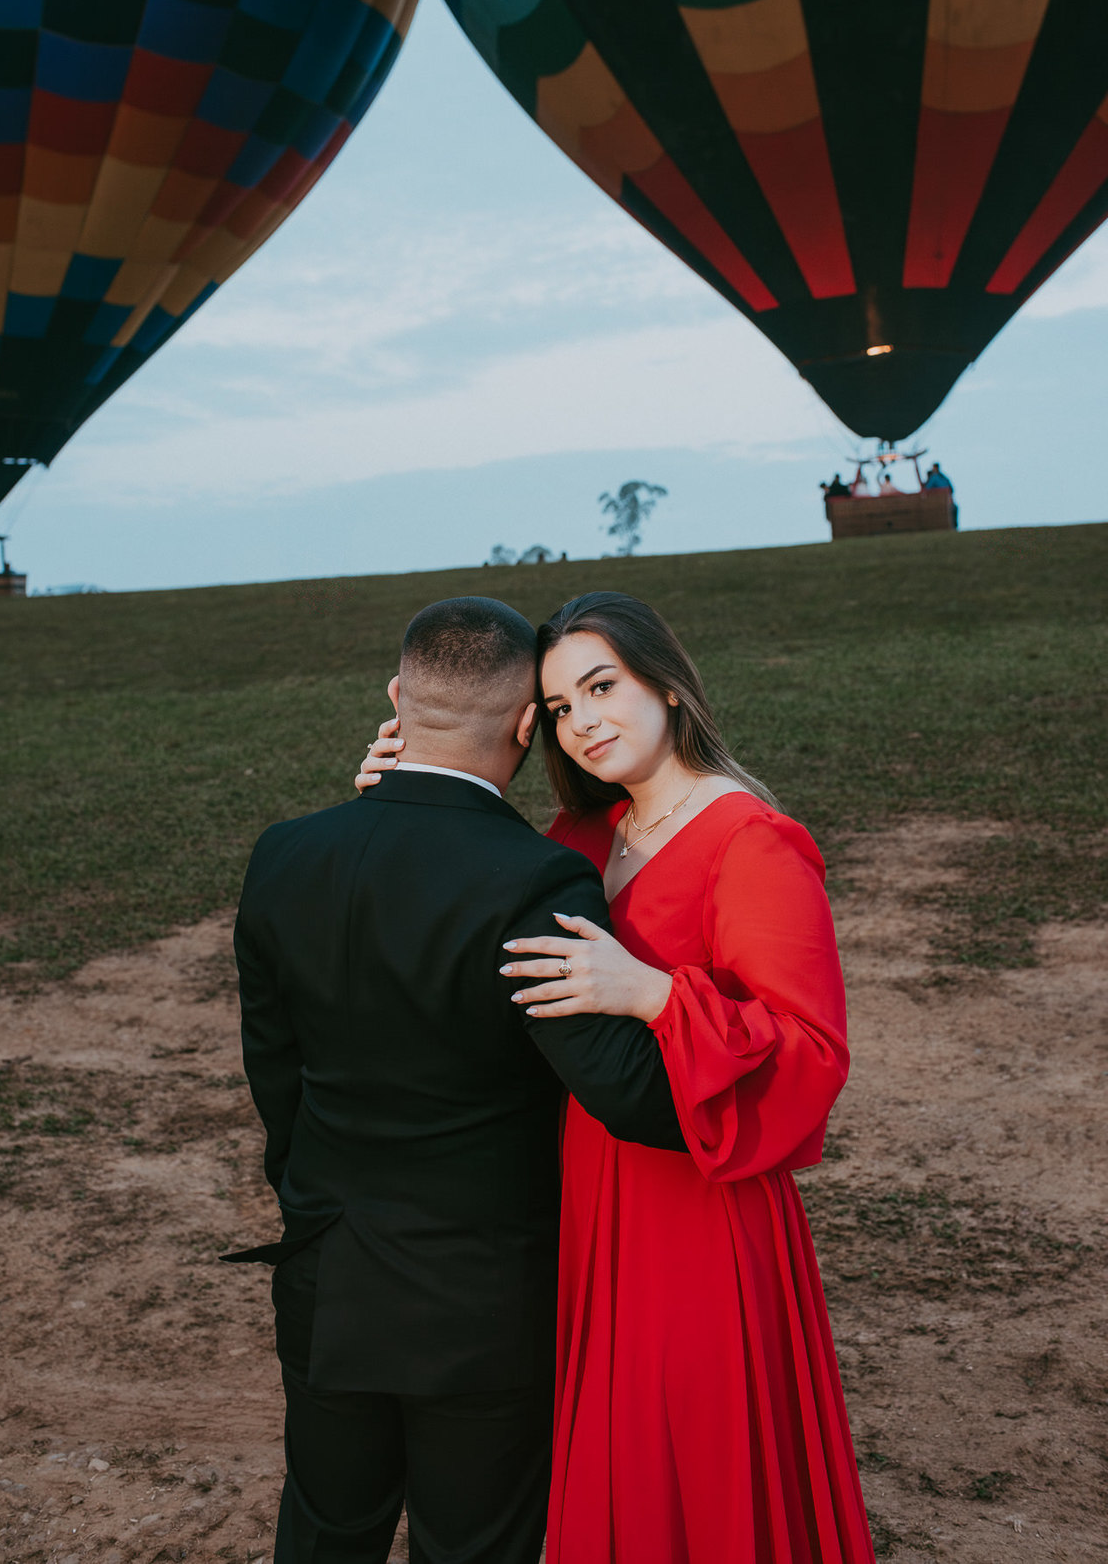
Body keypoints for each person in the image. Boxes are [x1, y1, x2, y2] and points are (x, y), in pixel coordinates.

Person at [360, 592, 875, 1564]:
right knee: (622, 1450)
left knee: (695, 1450)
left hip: (699, 1206)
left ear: (668, 686)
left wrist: (657, 996)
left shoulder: (750, 840)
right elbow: (475, 890)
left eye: (602, 687)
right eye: (558, 707)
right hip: (591, 1195)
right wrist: (405, 785)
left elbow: (811, 1050)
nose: (584, 720)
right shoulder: (581, 840)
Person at [229, 596, 685, 1564]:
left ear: (398, 697)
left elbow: (274, 1073)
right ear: (530, 724)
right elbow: (626, 1093)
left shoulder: (284, 856)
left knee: (325, 1530)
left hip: (329, 1267)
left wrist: (311, 1202)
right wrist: (685, 1003)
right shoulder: (532, 877)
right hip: (483, 1301)